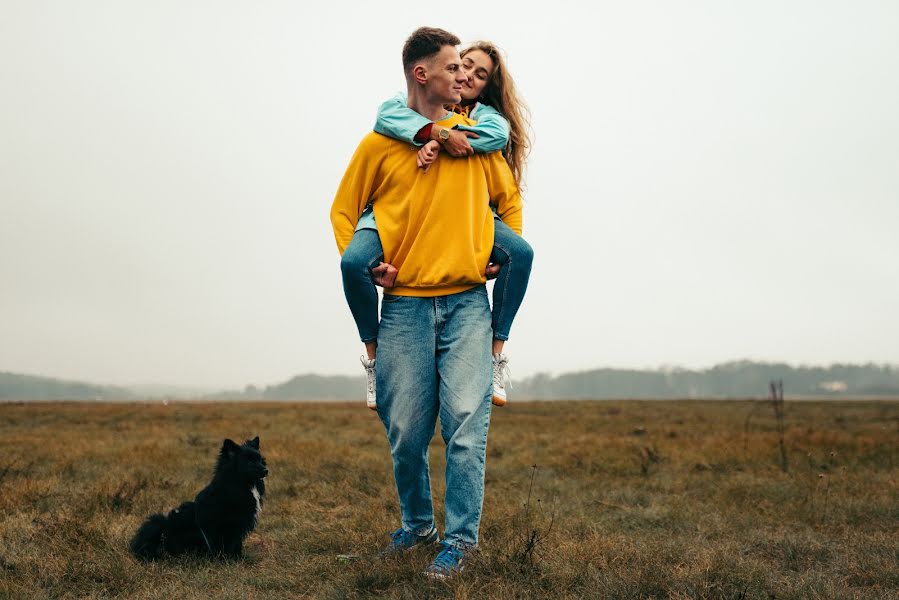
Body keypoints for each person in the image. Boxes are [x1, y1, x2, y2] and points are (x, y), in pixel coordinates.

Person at [330, 26, 524, 578]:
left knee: (466, 426)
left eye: (468, 68)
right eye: (451, 67)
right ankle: (417, 525)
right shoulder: (380, 143)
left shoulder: (475, 137)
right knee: (406, 434)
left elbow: (508, 204)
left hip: (467, 303)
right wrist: (365, 261)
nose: (462, 75)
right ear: (423, 75)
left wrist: (493, 253)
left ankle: (460, 542)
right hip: (405, 308)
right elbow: (343, 211)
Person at [339, 41, 533, 410]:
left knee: (521, 254)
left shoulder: (486, 118)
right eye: (464, 65)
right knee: (352, 263)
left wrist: (445, 138)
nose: (470, 76)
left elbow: (495, 141)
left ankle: (496, 354)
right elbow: (387, 117)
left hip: (474, 222)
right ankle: (373, 359)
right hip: (399, 235)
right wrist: (438, 133)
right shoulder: (402, 113)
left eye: (481, 74)